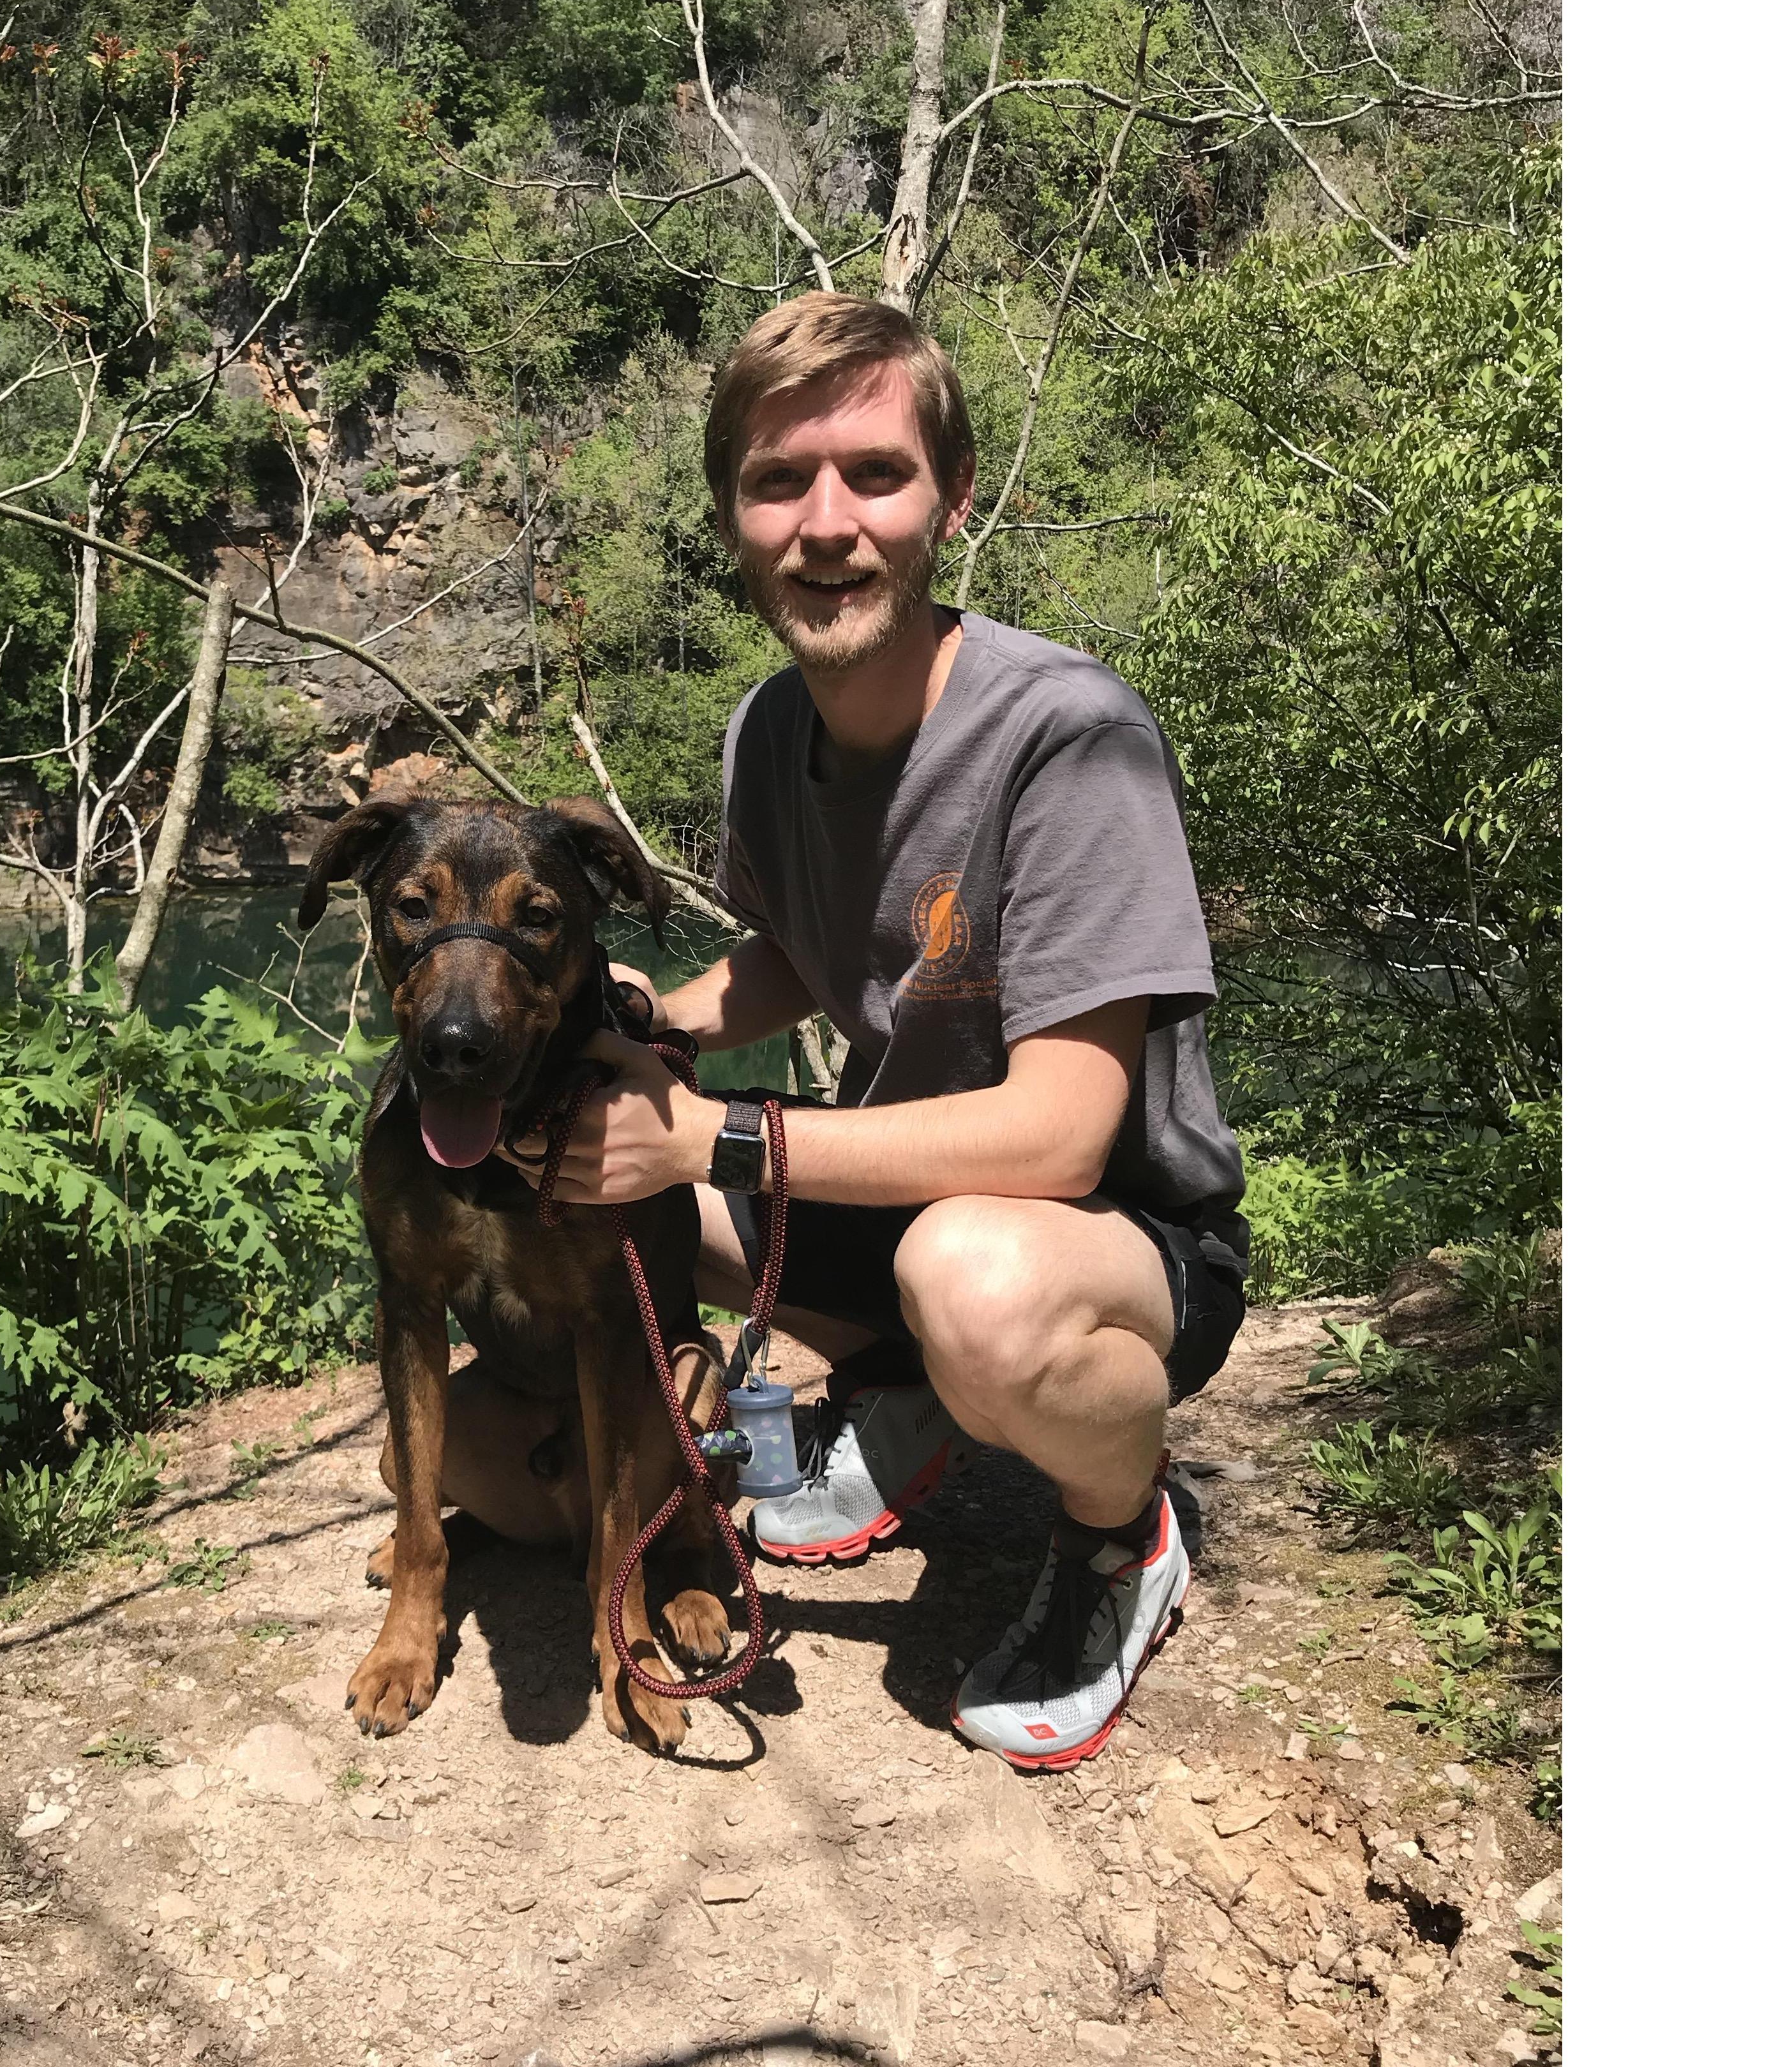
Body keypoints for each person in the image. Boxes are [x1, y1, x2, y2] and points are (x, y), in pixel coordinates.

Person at [504, 291, 1250, 1771]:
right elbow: (805, 950)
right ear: (733, 518)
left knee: (962, 1272)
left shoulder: (1071, 736)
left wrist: (706, 1129)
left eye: (877, 475)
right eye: (779, 482)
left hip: (1109, 1244)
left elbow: (1061, 1133)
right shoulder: (767, 734)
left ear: (952, 502)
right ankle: (912, 1398)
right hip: (902, 1211)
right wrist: (662, 1024)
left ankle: (1120, 1536)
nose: (826, 523)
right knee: (591, 1163)